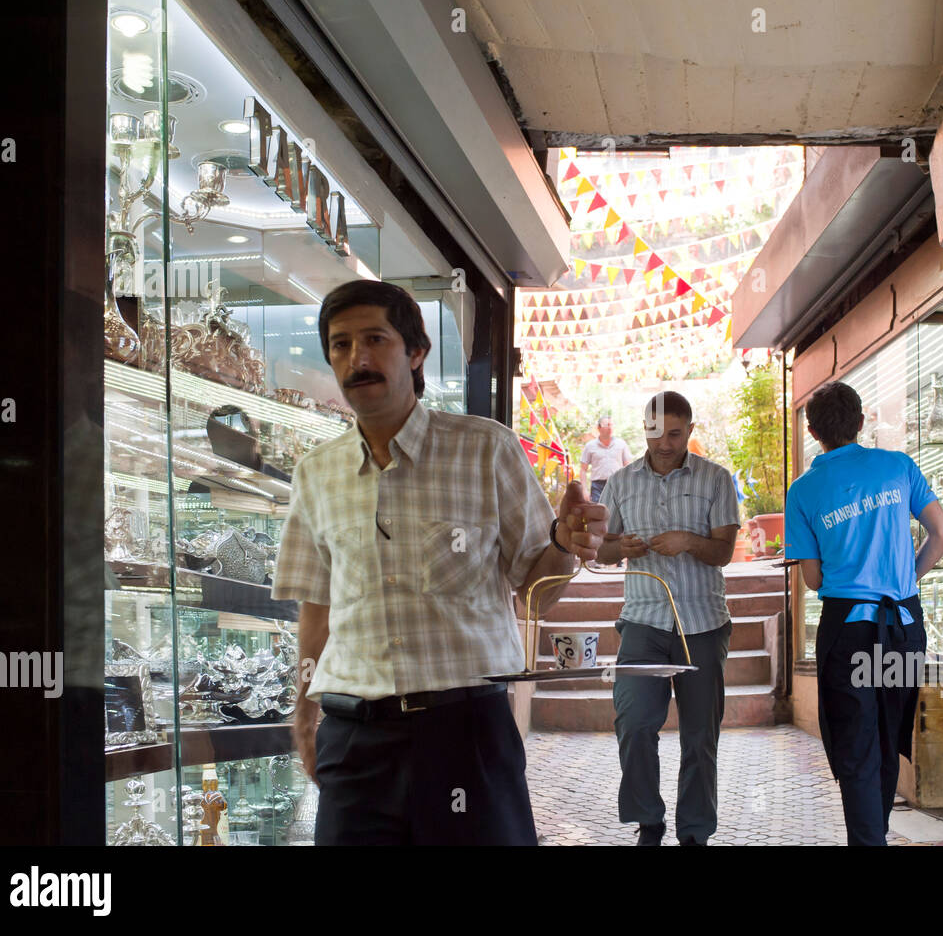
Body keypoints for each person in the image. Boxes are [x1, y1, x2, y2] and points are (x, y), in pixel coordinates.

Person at [270, 280, 606, 846]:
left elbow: (534, 593)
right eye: (341, 344)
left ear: (416, 351)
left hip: (464, 735)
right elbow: (317, 607)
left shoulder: (486, 450)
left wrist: (566, 545)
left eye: (375, 339)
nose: (357, 358)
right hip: (355, 743)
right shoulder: (315, 473)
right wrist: (302, 711)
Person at [783, 381, 943, 846]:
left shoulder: (803, 491)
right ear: (861, 422)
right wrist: (904, 580)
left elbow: (814, 580)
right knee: (887, 735)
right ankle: (874, 835)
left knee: (856, 745)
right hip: (902, 625)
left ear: (814, 431)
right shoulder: (898, 466)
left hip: (848, 632)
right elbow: (942, 534)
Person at [596, 392, 740, 846]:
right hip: (642, 621)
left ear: (689, 431)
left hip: (703, 623)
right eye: (654, 432)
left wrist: (689, 541)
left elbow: (723, 552)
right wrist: (622, 548)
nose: (663, 443)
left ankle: (695, 832)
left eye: (674, 433)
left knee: (699, 737)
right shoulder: (619, 482)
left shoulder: (717, 479)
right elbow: (601, 549)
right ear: (643, 428)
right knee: (634, 723)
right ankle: (648, 820)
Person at [580, 415, 631, 504]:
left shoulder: (621, 444)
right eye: (607, 425)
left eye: (611, 424)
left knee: (617, 514)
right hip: (597, 487)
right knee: (598, 514)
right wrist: (584, 490)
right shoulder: (590, 446)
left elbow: (628, 467)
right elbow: (583, 469)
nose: (610, 427)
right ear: (599, 428)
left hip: (617, 484)